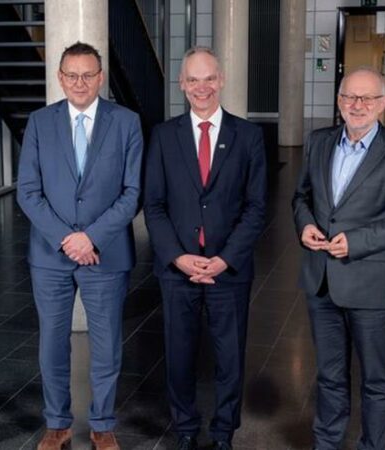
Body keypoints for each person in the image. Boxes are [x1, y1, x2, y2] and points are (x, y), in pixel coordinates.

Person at [292, 66, 385, 450]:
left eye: (368, 97)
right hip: (321, 282)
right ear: (338, 101)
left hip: (370, 285)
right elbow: (302, 196)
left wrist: (357, 241)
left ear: (382, 104)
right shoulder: (318, 141)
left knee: (375, 379)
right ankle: (327, 444)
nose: (358, 105)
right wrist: (304, 226)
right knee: (329, 376)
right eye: (350, 96)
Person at [16, 41, 142, 450]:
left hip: (105, 252)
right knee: (52, 343)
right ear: (60, 77)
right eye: (72, 74)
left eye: (88, 74)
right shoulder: (39, 122)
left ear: (101, 77)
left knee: (106, 344)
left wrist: (92, 237)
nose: (80, 82)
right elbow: (28, 191)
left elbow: (132, 191)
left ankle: (103, 424)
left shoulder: (126, 122)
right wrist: (67, 239)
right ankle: (57, 423)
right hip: (51, 254)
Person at [143, 46, 267, 450]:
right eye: (193, 80)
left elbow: (256, 207)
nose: (202, 87)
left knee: (229, 359)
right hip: (177, 270)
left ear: (222, 80)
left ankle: (223, 433)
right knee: (178, 357)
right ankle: (184, 429)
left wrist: (224, 259)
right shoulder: (163, 136)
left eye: (209, 78)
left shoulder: (248, 136)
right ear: (182, 84)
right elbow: (154, 205)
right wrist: (178, 257)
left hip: (228, 271)